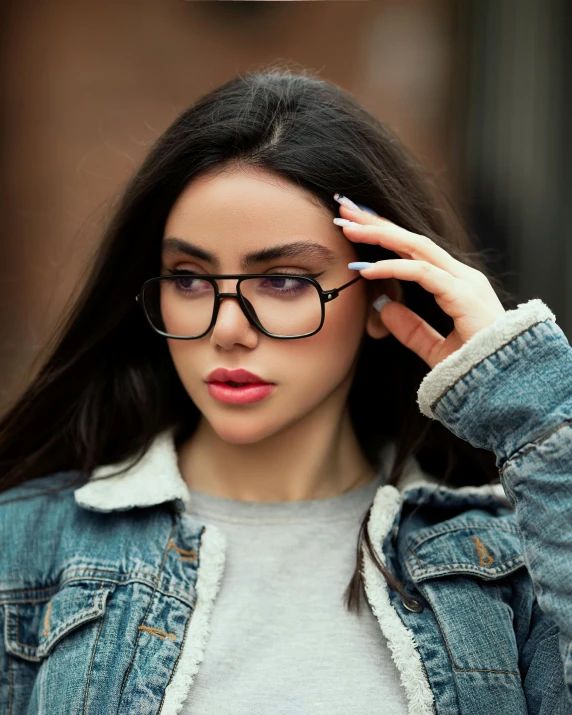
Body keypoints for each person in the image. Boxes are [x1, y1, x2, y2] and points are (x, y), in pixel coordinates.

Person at [0, 66, 570, 715]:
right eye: (189, 279)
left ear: (383, 295)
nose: (229, 330)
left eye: (283, 280)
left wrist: (528, 396)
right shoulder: (23, 546)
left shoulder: (512, 559)